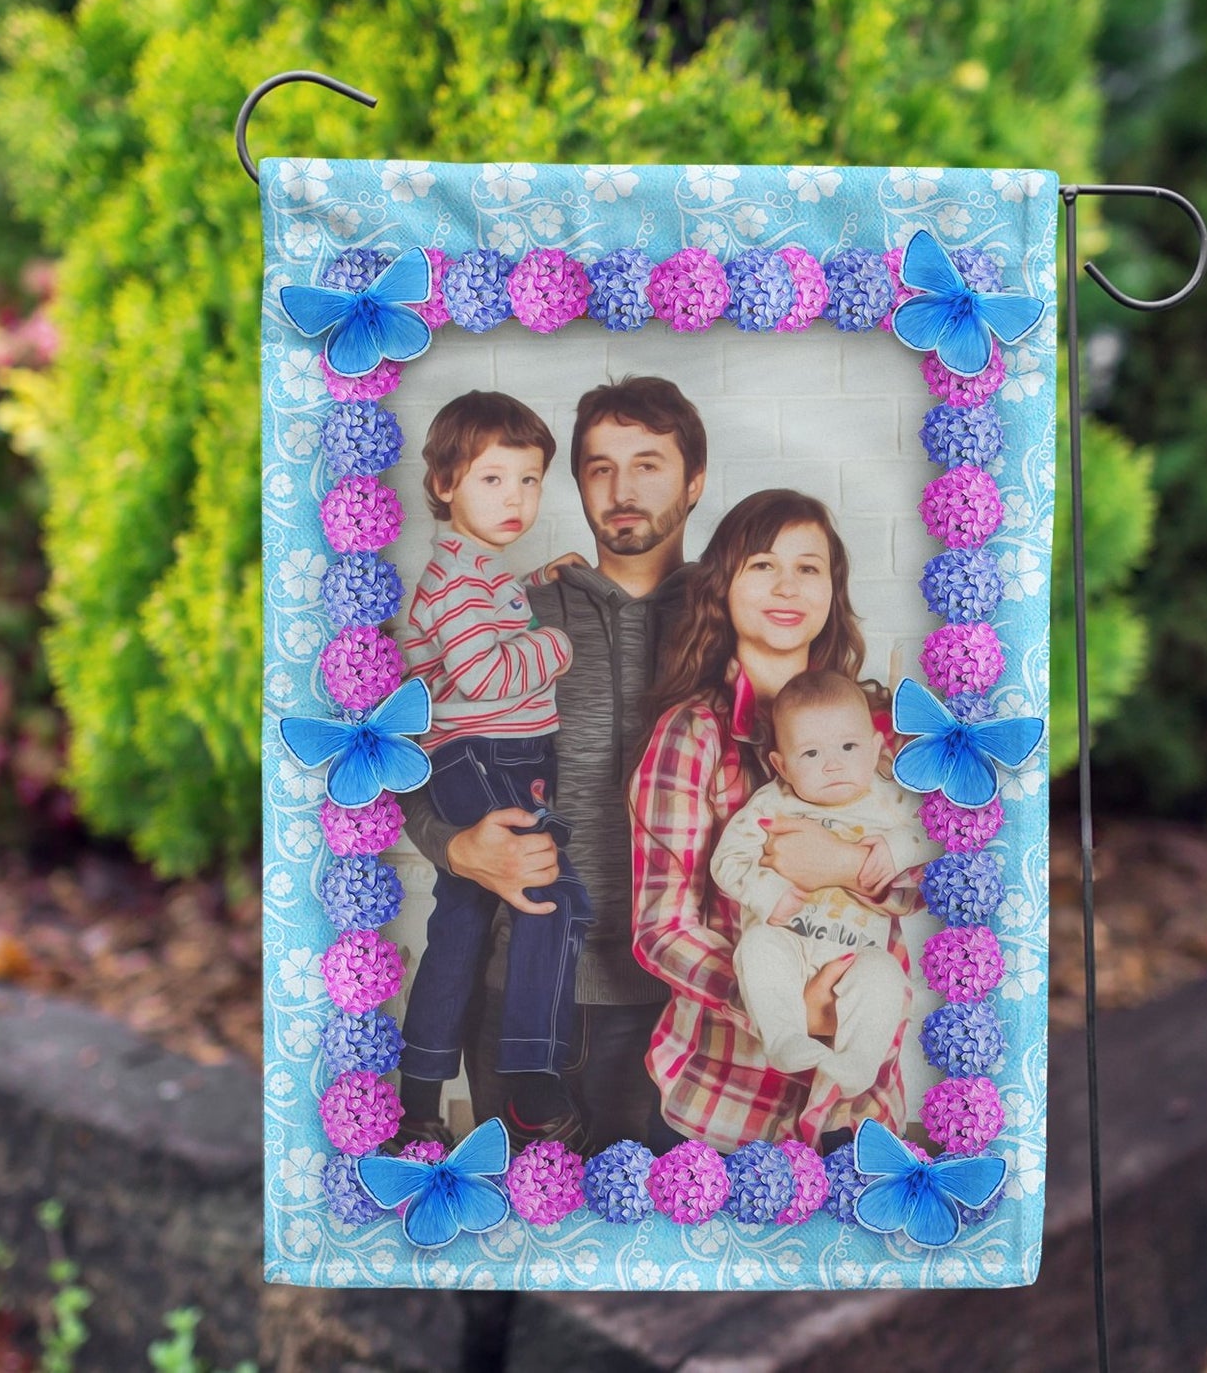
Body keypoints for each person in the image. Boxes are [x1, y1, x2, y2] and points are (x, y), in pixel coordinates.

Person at [398, 376, 707, 1152]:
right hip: (519, 993)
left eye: (647, 464)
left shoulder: (733, 610)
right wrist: (455, 848)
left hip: (683, 1002)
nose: (622, 488)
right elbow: (410, 757)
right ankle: (434, 1095)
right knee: (514, 1227)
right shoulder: (519, 610)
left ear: (694, 481)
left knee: (673, 1223)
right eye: (600, 467)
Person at [629, 489, 919, 1152]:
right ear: (723, 586)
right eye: (762, 565)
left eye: (808, 567)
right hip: (724, 1098)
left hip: (859, 1106)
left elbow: (931, 876)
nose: (787, 586)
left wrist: (844, 863)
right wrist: (786, 1003)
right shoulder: (692, 734)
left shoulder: (875, 726)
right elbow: (661, 928)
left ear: (832, 589)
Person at [396, 390, 591, 1145]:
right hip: (483, 757)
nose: (515, 497)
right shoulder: (458, 581)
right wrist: (558, 644)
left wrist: (534, 584)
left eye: (529, 479)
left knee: (462, 925)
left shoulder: (475, 573)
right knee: (551, 897)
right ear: (445, 484)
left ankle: (419, 1097)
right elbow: (482, 673)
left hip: (483, 757)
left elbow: (484, 621)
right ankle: (531, 1077)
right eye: (492, 478)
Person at [710, 669, 933, 1102]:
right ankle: (785, 1039)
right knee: (757, 949)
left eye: (848, 747)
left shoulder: (890, 798)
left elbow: (939, 832)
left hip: (857, 953)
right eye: (811, 753)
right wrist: (767, 892)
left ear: (875, 748)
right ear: (782, 765)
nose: (833, 764)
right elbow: (727, 860)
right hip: (788, 943)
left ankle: (858, 1062)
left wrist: (898, 848)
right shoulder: (772, 803)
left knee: (885, 976)